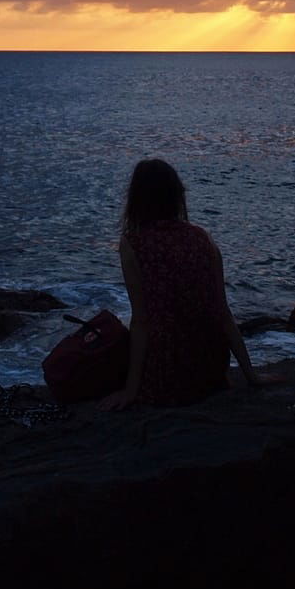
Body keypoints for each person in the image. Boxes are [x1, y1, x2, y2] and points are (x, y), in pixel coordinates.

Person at [96, 159, 262, 410]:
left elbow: (141, 321)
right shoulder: (202, 237)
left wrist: (131, 391)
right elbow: (223, 313)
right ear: (176, 196)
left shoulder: (133, 244)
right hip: (211, 369)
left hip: (166, 373)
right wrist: (251, 375)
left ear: (136, 199)